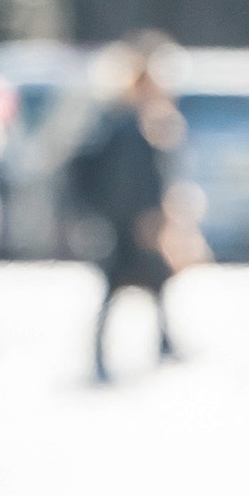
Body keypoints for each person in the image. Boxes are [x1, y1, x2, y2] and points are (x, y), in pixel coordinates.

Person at [67, 33, 187, 383]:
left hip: (125, 221)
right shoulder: (127, 126)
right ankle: (103, 356)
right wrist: (144, 216)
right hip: (128, 224)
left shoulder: (131, 123)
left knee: (152, 283)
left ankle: (161, 343)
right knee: (119, 285)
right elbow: (133, 180)